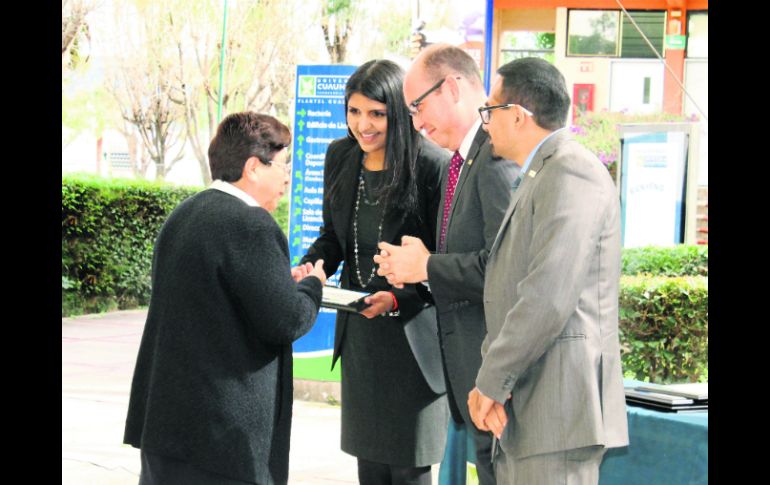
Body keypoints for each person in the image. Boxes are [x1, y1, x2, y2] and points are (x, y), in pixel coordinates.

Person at [123, 112, 327, 485]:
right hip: (221, 439)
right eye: (282, 165)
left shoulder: (185, 213)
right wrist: (312, 286)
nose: (287, 177)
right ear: (253, 167)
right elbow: (286, 320)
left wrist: (282, 285)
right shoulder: (251, 223)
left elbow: (217, 299)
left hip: (167, 426)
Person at [466, 57, 629, 485]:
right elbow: (512, 289)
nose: (485, 123)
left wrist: (491, 382)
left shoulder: (570, 170)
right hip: (534, 408)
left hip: (558, 411)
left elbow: (547, 296)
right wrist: (493, 381)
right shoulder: (543, 171)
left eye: (489, 110)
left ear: (518, 116)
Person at [293, 59, 449, 485]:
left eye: (376, 113)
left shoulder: (432, 165)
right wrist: (311, 267)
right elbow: (333, 236)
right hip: (361, 335)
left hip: (413, 341)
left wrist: (398, 297)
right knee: (371, 467)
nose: (363, 125)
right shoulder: (340, 156)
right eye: (354, 111)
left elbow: (443, 261)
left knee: (409, 468)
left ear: (397, 111)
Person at [373, 43, 518, 485]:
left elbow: (506, 269)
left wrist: (427, 267)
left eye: (417, 107)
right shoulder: (462, 159)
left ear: (452, 88)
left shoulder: (496, 155)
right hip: (473, 380)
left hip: (496, 379)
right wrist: (415, 269)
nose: (416, 122)